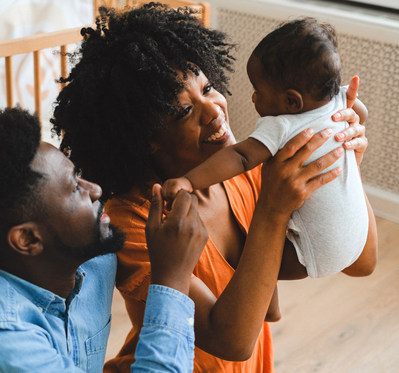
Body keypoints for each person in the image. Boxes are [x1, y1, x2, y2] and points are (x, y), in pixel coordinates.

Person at [51, 4, 377, 372]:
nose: (215, 110)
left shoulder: (242, 169)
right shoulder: (133, 221)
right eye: (184, 111)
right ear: (146, 139)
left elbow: (361, 262)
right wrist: (272, 209)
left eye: (208, 88)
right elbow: (231, 341)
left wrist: (343, 161)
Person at [0, 107, 209, 373]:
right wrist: (172, 278)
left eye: (80, 176)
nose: (95, 190)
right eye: (75, 188)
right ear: (27, 239)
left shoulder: (93, 262)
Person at [162, 17, 373, 279]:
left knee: (256, 261)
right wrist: (349, 114)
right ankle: (269, 306)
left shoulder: (282, 126)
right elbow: (360, 112)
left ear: (291, 102)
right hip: (356, 233)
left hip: (315, 252)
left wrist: (187, 181)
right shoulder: (339, 99)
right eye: (185, 110)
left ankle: (258, 292)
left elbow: (240, 156)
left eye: (258, 90)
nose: (253, 97)